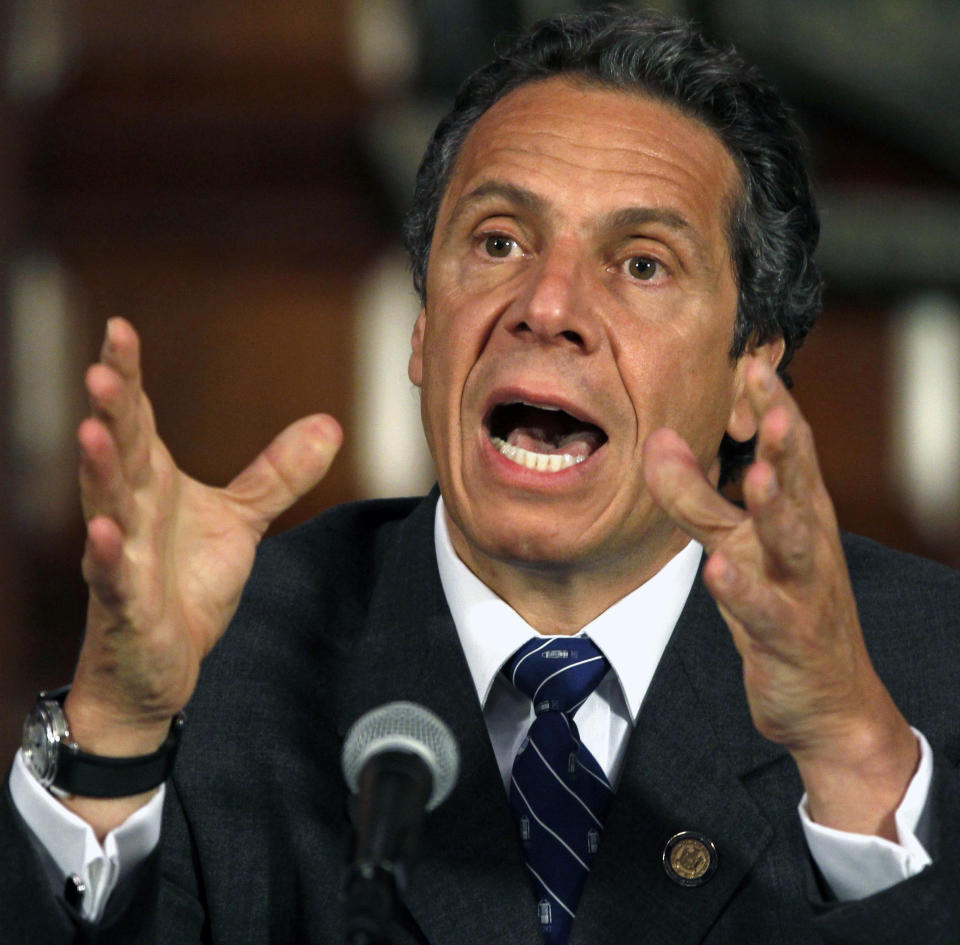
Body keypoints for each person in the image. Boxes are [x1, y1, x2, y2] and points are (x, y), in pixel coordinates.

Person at [3, 9, 959, 944]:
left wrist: (852, 757)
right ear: (425, 330)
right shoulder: (224, 662)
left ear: (749, 375)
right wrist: (117, 729)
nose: (547, 305)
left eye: (640, 263)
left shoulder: (921, 668)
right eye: (498, 242)